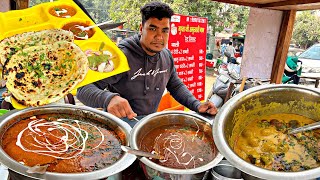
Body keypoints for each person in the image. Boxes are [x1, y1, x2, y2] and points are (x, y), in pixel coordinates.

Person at [77, 2, 217, 120]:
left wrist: (197, 105)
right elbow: (83, 89)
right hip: (120, 124)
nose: (159, 37)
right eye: (152, 28)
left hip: (148, 122)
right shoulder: (121, 56)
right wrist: (108, 99)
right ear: (141, 29)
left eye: (164, 30)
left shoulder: (166, 56)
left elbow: (175, 86)